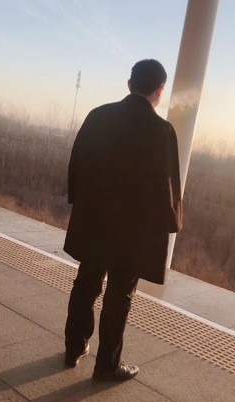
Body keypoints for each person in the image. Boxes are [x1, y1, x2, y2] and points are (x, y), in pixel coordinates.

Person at [63, 59, 182, 381]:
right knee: (120, 295)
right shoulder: (162, 131)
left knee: (86, 283)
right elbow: (167, 186)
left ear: (129, 84)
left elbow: (76, 163)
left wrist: (79, 202)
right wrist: (172, 222)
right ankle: (107, 365)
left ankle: (74, 348)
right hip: (133, 232)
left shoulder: (98, 116)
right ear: (160, 90)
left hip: (94, 221)